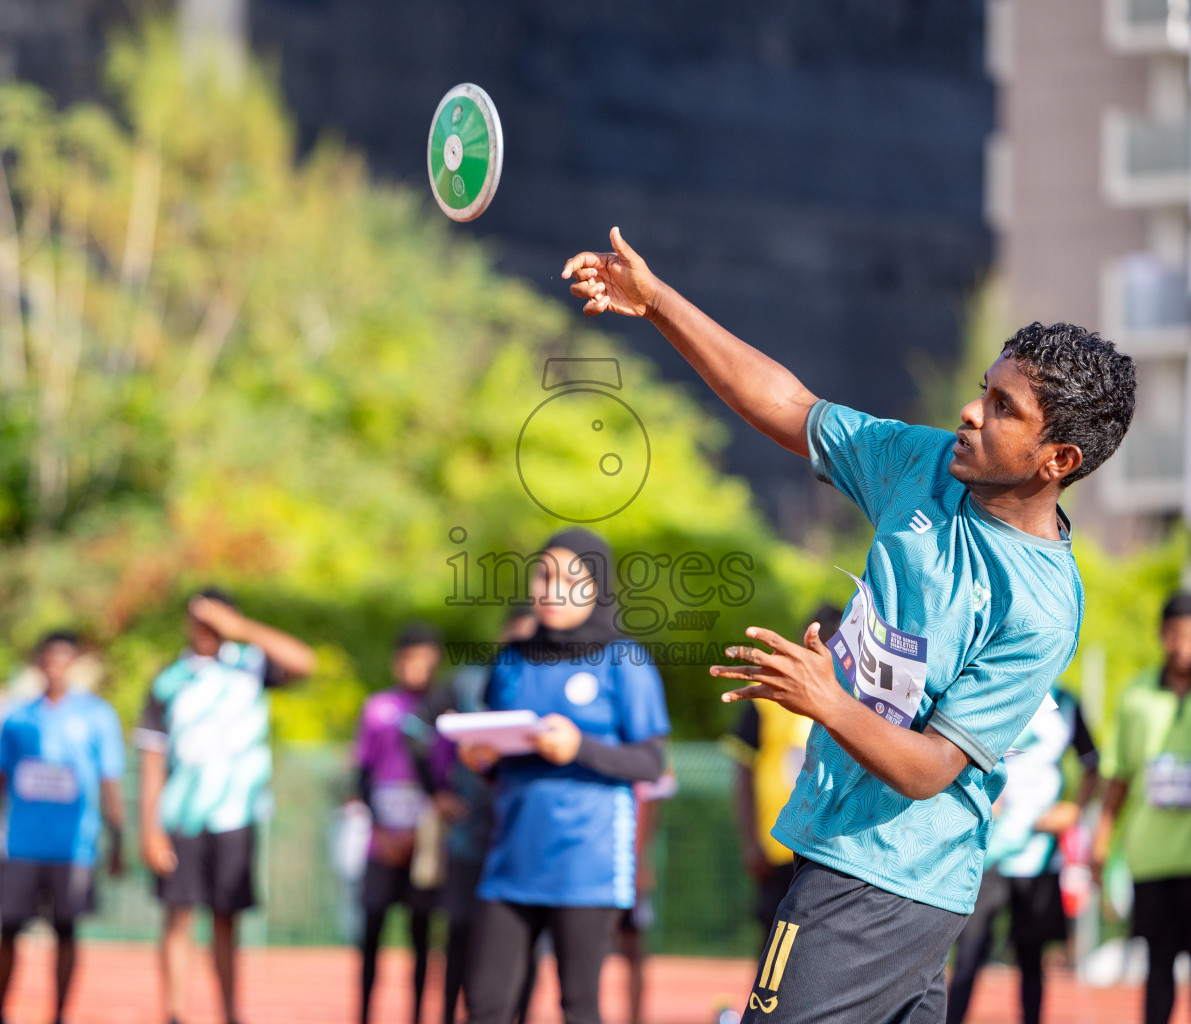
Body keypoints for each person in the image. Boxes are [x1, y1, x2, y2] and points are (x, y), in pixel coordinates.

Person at [562, 230, 1136, 1023]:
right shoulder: (925, 465)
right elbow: (789, 405)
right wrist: (656, 302)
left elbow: (934, 767)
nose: (971, 410)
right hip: (870, 866)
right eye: (984, 389)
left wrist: (825, 699)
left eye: (1004, 407)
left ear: (1058, 459)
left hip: (885, 876)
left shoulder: (1039, 607)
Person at [458, 528, 671, 1024]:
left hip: (587, 867)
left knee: (578, 1006)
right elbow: (501, 756)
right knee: (487, 1004)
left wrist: (579, 748)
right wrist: (484, 759)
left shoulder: (625, 661)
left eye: (571, 579)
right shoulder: (511, 659)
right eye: (544, 575)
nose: (553, 590)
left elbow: (651, 763)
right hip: (510, 861)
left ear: (597, 587)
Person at [133, 589, 316, 1024]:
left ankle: (229, 1013)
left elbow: (305, 662)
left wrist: (243, 631)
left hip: (235, 815)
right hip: (181, 816)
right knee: (177, 916)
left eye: (216, 621)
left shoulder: (251, 665)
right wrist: (150, 828)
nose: (207, 628)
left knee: (225, 920)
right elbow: (151, 759)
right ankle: (175, 1012)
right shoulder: (169, 679)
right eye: (199, 618)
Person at [1090, 592, 1191, 1024]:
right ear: (1162, 635)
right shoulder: (1136, 694)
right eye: (1174, 635)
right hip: (1151, 857)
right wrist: (1101, 840)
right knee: (1157, 964)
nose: (1183, 646)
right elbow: (1118, 774)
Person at [0, 632, 126, 1024]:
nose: (55, 667)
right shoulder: (17, 717)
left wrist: (117, 840)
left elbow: (110, 781)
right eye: (48, 659)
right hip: (22, 844)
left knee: (66, 930)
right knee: (9, 928)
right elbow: (0, 781)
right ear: (38, 663)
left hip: (73, 847)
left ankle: (60, 1013)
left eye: (64, 659)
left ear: (75, 664)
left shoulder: (97, 716)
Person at [947, 684, 1099, 1024]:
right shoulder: (996, 688)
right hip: (988, 849)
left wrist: (1074, 811)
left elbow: (1093, 764)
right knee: (969, 950)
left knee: (1032, 958)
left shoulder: (1068, 704)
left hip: (1039, 854)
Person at [427, 608, 538, 1024]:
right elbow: (418, 729)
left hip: (522, 840)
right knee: (460, 933)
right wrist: (435, 791)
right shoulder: (470, 681)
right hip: (471, 838)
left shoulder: (549, 686)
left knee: (523, 944)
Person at [723, 605, 841, 945]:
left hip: (832, 847)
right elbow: (743, 767)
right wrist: (749, 840)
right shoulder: (770, 697)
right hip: (779, 845)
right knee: (772, 945)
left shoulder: (863, 697)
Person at [354, 623, 446, 1024]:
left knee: (421, 934)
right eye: (410, 660)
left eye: (426, 661)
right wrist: (380, 830)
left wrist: (418, 832)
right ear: (398, 662)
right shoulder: (378, 709)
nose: (417, 669)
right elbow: (362, 774)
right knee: (371, 931)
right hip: (382, 841)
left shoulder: (445, 712)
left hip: (422, 842)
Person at [615, 765, 677, 1024]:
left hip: (628, 863)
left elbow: (654, 798)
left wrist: (640, 861)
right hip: (595, 862)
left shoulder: (647, 743)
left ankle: (634, 1019)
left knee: (633, 945)